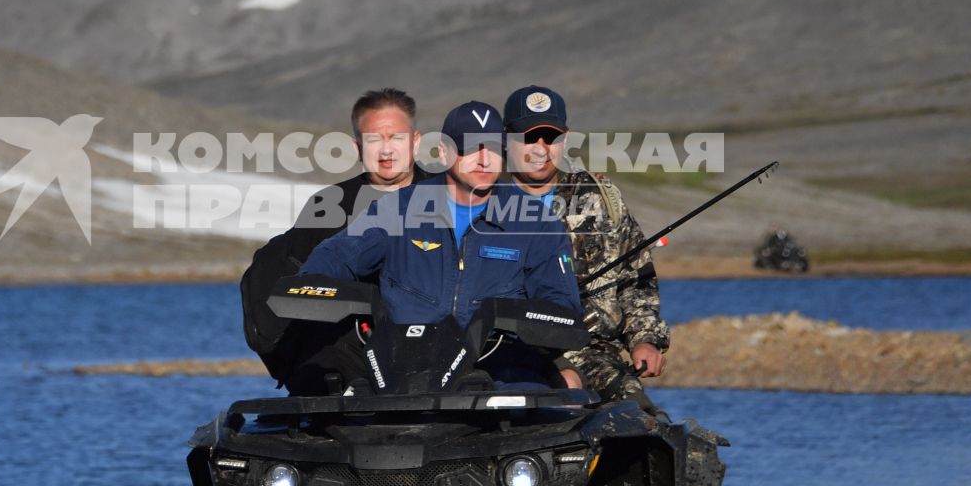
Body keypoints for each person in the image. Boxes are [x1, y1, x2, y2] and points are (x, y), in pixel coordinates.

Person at [298, 101, 582, 389]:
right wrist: (310, 286)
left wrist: (516, 321)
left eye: (494, 149)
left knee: (562, 391)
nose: (484, 160)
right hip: (401, 370)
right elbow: (337, 255)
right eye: (471, 149)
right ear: (445, 152)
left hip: (497, 370)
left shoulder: (536, 223)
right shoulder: (398, 209)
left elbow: (561, 306)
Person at [239, 88, 429, 388]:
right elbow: (294, 292)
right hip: (348, 354)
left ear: (415, 141)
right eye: (374, 139)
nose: (386, 151)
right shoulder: (329, 206)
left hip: (434, 347)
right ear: (357, 146)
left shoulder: (448, 199)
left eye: (396, 138)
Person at [503, 84, 671, 408]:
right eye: (528, 137)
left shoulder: (598, 198)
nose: (540, 148)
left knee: (642, 418)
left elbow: (636, 277)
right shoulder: (484, 200)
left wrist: (644, 339)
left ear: (564, 139)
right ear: (506, 138)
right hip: (514, 350)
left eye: (549, 138)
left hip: (594, 352)